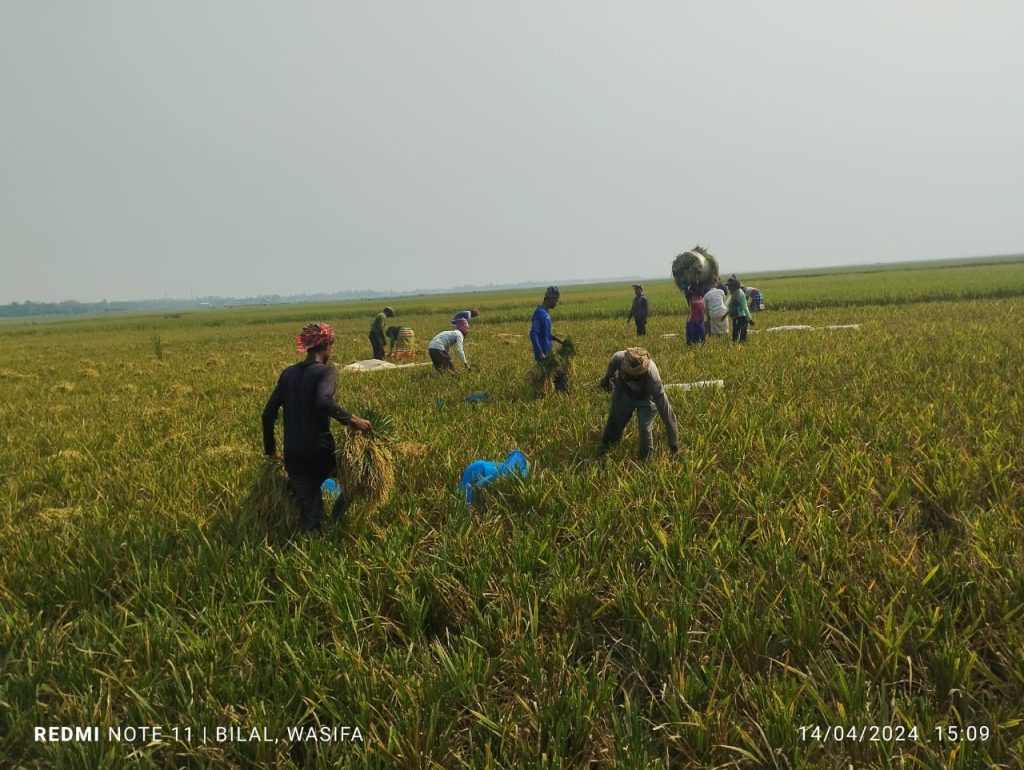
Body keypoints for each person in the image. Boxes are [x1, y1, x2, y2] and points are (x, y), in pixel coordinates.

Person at [262, 322, 372, 533]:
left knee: (310, 509)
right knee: (357, 477)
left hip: (293, 454)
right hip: (319, 451)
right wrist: (352, 420)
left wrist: (271, 451)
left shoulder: (288, 374)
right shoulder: (325, 372)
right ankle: (337, 517)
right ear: (327, 345)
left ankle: (311, 539)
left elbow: (268, 414)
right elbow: (323, 401)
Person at [597, 347, 679, 460]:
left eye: (632, 375)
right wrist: (606, 379)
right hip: (623, 390)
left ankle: (645, 460)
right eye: (626, 372)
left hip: (645, 396)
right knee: (616, 419)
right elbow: (610, 369)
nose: (627, 376)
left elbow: (665, 409)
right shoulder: (619, 358)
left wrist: (673, 443)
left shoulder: (652, 378)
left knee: (645, 428)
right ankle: (608, 446)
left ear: (641, 373)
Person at [530, 286, 562, 362]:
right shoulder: (539, 313)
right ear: (550, 298)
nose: (556, 303)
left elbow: (545, 333)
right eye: (556, 300)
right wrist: (540, 353)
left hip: (548, 354)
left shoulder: (546, 313)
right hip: (543, 357)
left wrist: (558, 340)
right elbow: (533, 334)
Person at [727, 275, 753, 342]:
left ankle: (740, 342)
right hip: (736, 316)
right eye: (728, 286)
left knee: (740, 330)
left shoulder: (740, 294)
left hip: (741, 316)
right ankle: (736, 342)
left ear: (735, 286)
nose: (728, 287)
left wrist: (749, 319)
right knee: (736, 329)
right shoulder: (734, 293)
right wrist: (725, 315)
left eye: (730, 286)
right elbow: (731, 305)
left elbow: (745, 307)